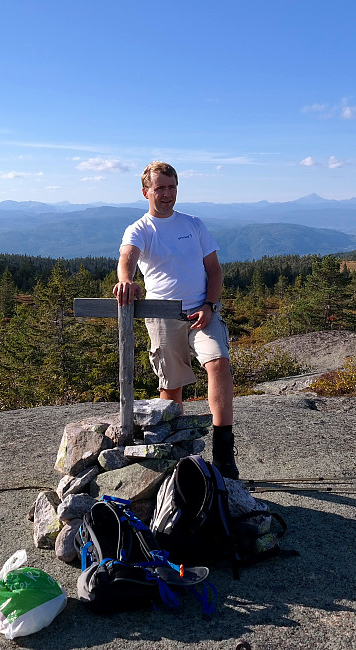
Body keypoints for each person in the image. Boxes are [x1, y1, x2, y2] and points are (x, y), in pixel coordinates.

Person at [113, 161, 239, 478]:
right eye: (160, 188)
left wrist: (210, 304)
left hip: (201, 309)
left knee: (219, 362)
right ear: (146, 192)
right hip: (162, 314)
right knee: (171, 387)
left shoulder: (194, 224)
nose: (167, 194)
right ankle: (179, 459)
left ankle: (224, 452)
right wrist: (126, 280)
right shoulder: (139, 229)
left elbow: (214, 270)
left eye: (172, 187)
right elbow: (126, 258)